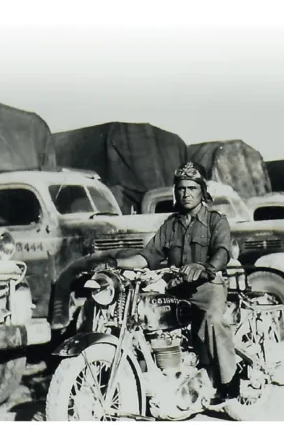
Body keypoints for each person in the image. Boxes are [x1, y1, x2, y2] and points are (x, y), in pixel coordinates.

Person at [115, 162, 239, 404]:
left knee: (213, 321)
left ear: (203, 190)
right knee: (147, 319)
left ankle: (229, 383)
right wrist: (115, 262)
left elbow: (223, 252)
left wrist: (205, 267)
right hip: (176, 288)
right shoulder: (171, 224)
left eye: (192, 187)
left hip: (207, 287)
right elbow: (148, 256)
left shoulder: (216, 221)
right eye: (181, 188)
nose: (186, 193)